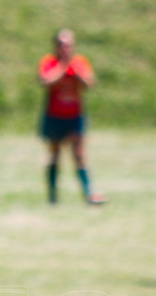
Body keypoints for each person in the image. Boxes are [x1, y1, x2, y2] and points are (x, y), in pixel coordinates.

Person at [38, 29, 106, 205]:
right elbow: (45, 82)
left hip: (75, 116)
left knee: (79, 154)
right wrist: (62, 68)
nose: (65, 48)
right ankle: (52, 196)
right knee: (54, 155)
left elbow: (89, 83)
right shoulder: (50, 62)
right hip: (54, 115)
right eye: (62, 45)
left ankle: (88, 193)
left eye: (68, 45)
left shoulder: (79, 63)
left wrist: (77, 74)